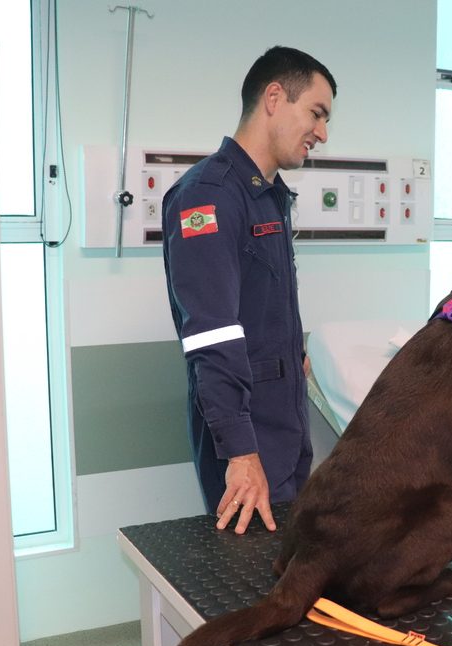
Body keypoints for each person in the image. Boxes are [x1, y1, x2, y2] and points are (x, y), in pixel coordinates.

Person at [162, 46, 336, 535]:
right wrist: (241, 451)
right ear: (275, 97)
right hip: (246, 438)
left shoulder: (269, 197)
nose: (322, 133)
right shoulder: (208, 196)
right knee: (254, 582)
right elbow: (209, 335)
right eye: (316, 114)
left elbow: (261, 307)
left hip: (283, 426)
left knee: (283, 573)